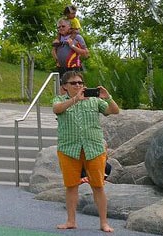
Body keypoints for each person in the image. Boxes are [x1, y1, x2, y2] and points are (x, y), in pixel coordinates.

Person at [53, 70, 119, 233]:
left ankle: (104, 223)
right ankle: (71, 221)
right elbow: (57, 109)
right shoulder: (59, 99)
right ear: (64, 87)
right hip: (69, 148)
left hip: (94, 148)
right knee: (71, 186)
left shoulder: (95, 101)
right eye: (73, 83)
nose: (78, 86)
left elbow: (115, 111)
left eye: (80, 83)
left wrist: (108, 97)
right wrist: (75, 99)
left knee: (98, 186)